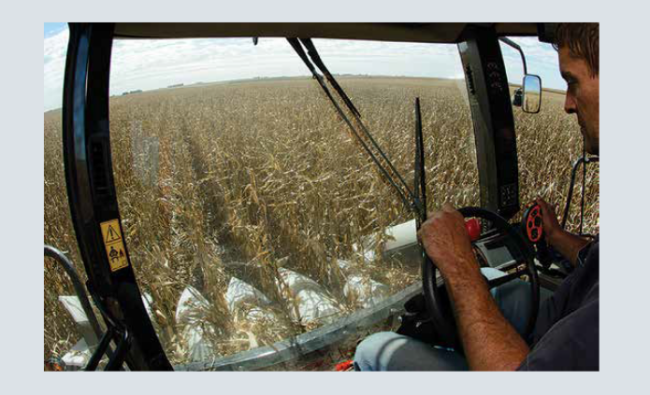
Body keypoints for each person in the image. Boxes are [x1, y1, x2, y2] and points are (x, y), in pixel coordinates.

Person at [353, 23, 599, 371]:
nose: (568, 104)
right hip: (565, 321)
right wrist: (557, 236)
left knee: (373, 349)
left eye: (572, 81)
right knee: (503, 291)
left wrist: (457, 264)